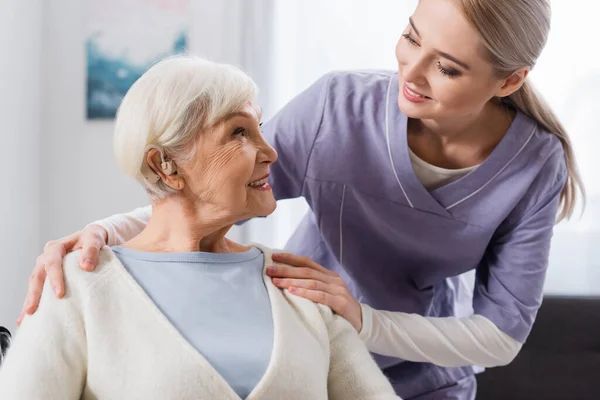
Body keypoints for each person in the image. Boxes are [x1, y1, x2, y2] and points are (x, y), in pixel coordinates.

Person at [21, 0, 585, 398]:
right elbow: (206, 192)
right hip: (304, 355)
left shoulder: (535, 165)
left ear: (508, 82)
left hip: (425, 378)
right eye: (412, 36)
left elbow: (500, 336)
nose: (408, 73)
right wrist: (103, 233)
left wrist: (362, 319)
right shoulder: (337, 110)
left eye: (447, 67)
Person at [0, 56, 399, 399]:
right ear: (165, 166)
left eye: (259, 128)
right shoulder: (79, 286)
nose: (271, 152)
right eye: (239, 132)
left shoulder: (299, 286)